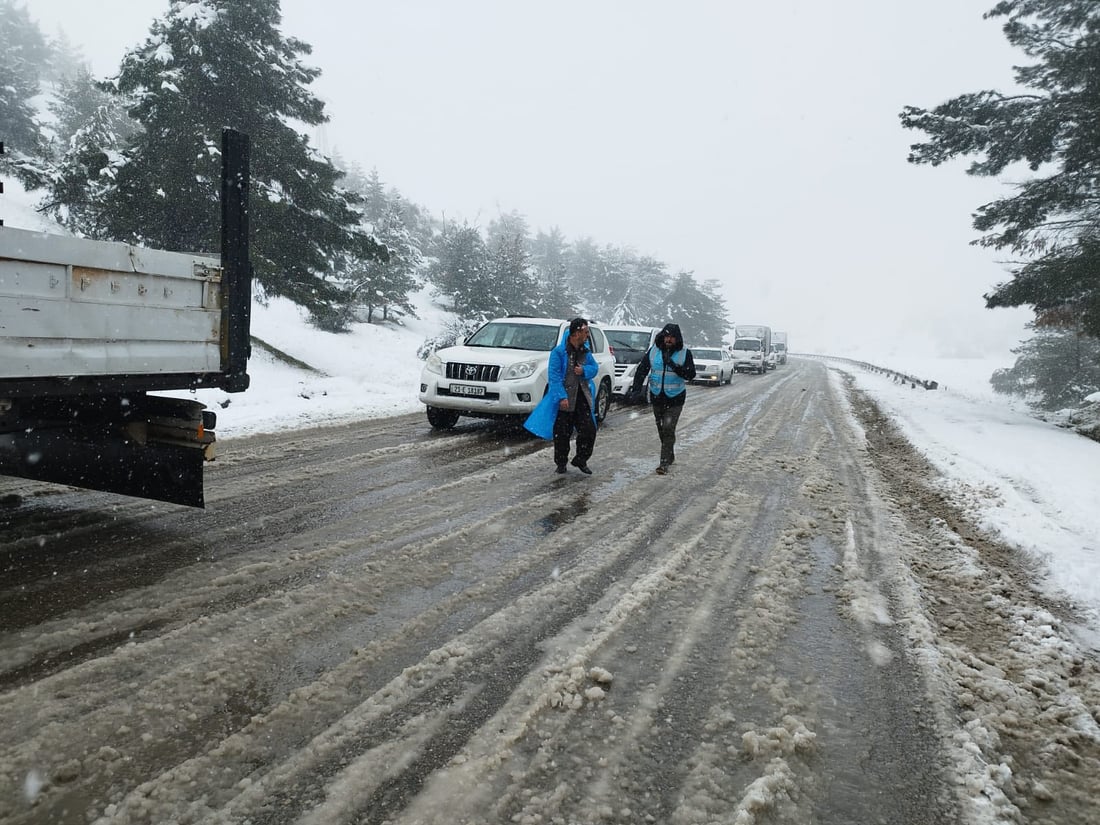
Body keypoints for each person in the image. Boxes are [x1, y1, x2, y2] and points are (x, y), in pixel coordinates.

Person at [523, 317, 600, 474]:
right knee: (562, 433)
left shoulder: (585, 351)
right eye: (585, 332)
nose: (587, 335)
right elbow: (554, 377)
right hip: (564, 399)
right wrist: (561, 397)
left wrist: (584, 371)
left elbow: (594, 368)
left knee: (589, 430)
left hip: (581, 397)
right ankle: (561, 462)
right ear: (576, 333)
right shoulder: (559, 352)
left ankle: (581, 459)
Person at [630, 322, 696, 475]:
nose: (669, 340)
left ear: (677, 339)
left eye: (672, 337)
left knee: (668, 427)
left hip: (675, 398)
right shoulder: (653, 351)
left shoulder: (685, 353)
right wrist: (636, 389)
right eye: (666, 336)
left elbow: (690, 374)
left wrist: (673, 365)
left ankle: (663, 463)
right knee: (661, 428)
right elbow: (642, 370)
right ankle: (669, 453)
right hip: (657, 396)